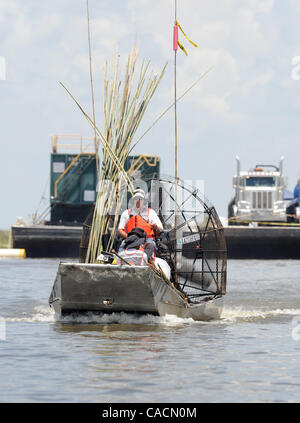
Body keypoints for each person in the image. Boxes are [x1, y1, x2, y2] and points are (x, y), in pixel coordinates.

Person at [118, 188, 163, 260]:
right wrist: (129, 237)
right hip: (130, 238)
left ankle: (147, 261)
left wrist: (156, 227)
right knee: (122, 246)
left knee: (151, 245)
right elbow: (120, 230)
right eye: (136, 199)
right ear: (133, 201)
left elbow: (160, 229)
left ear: (144, 201)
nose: (138, 201)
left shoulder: (151, 212)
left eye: (140, 199)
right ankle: (119, 261)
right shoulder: (126, 213)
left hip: (147, 239)